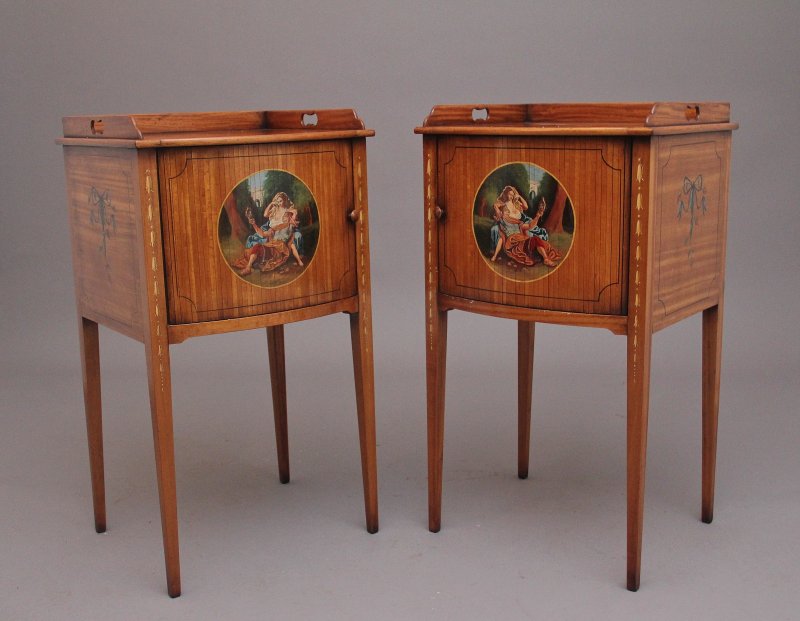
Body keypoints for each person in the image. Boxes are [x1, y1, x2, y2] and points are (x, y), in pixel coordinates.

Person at [489, 186, 561, 268]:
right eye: (509, 194)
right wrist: (495, 256)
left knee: (535, 239)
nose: (511, 196)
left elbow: (530, 226)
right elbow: (497, 212)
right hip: (513, 242)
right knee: (532, 242)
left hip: (521, 239)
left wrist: (537, 216)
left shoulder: (518, 221)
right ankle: (544, 258)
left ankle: (546, 259)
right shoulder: (503, 217)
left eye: (512, 195)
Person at [234, 192, 304, 275]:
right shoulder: (275, 227)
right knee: (257, 247)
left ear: (289, 217)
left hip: (279, 249)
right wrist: (254, 224)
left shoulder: (290, 225)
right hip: (272, 246)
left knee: (261, 251)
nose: (284, 217)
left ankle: (250, 267)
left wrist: (293, 214)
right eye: (284, 216)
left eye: (286, 216)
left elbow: (294, 219)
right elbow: (263, 234)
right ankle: (248, 267)